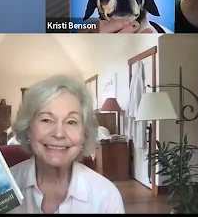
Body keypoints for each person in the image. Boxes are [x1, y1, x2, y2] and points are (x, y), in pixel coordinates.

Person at [8, 75, 125, 214]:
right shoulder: (0, 190)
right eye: (46, 120)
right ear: (28, 129)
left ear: (84, 134)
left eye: (71, 122)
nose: (59, 133)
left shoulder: (106, 197)